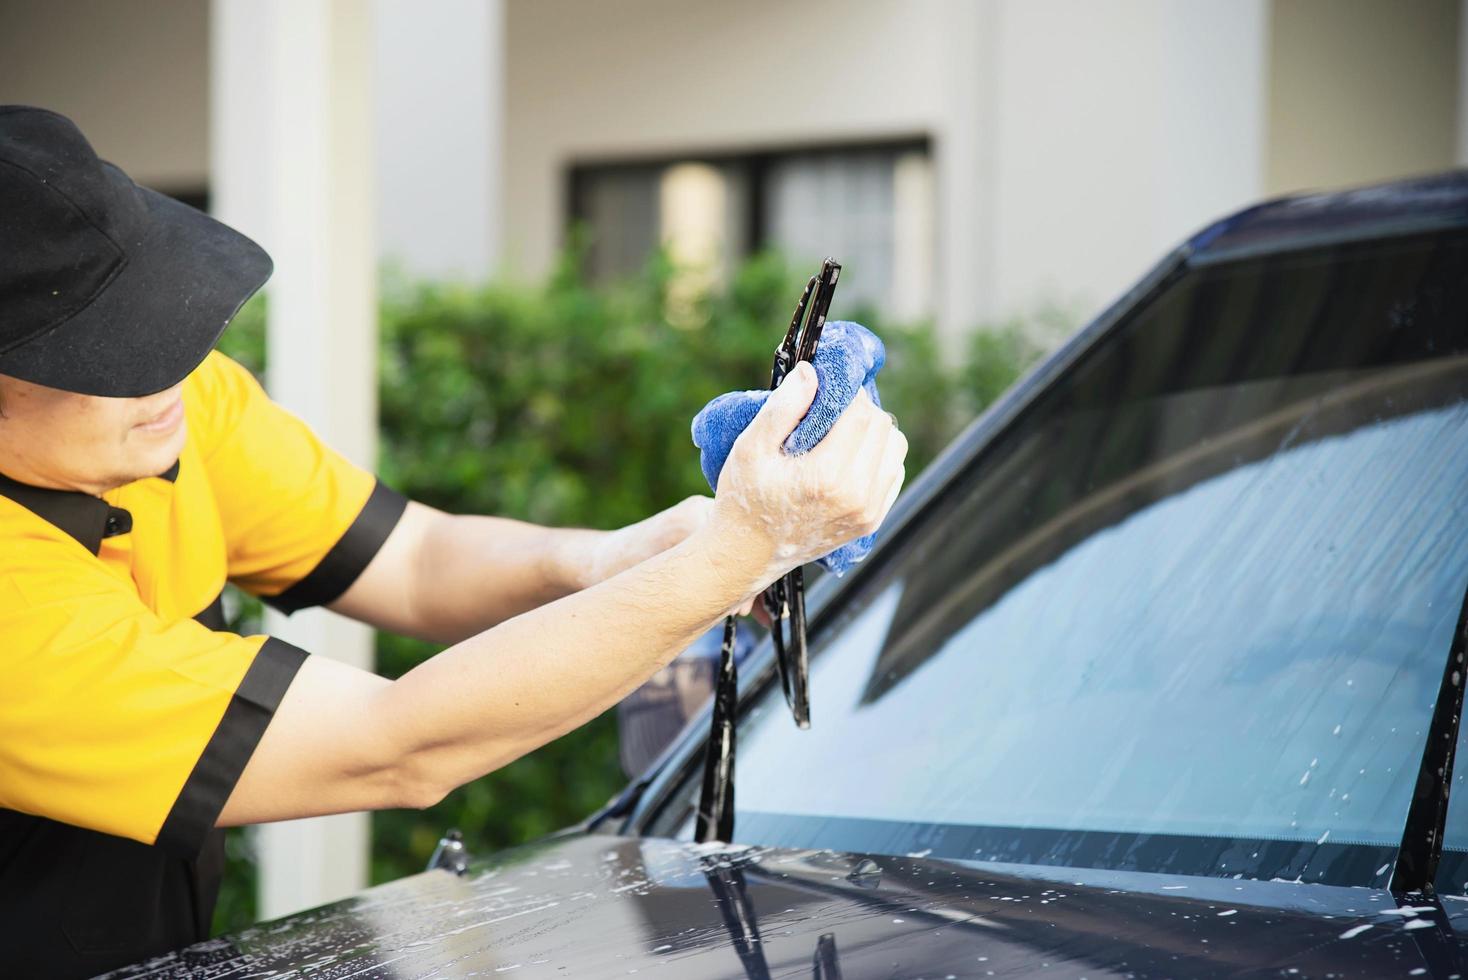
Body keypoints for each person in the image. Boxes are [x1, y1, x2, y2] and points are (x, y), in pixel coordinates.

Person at [0, 106, 907, 977]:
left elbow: (419, 561)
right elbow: (394, 745)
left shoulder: (175, 409)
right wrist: (734, 556)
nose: (170, 363)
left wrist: (620, 559)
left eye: (157, 315)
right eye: (107, 351)